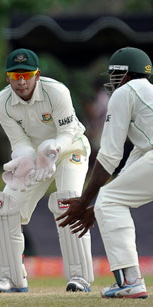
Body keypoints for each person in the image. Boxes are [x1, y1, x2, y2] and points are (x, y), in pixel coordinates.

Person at [0, 48, 93, 293]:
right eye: (15, 76)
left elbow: (67, 132)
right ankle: (12, 279)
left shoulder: (56, 92)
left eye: (27, 75)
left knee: (68, 201)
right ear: (7, 78)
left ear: (38, 74)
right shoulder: (1, 102)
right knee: (4, 206)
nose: (21, 81)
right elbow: (18, 140)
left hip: (70, 149)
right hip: (34, 157)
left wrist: (54, 149)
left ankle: (80, 277)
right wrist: (24, 158)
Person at [56, 47, 153, 299]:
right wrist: (99, 206)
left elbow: (109, 156)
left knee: (109, 200)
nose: (111, 81)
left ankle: (131, 281)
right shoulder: (147, 95)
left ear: (124, 74)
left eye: (113, 75)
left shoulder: (125, 92)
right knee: (109, 200)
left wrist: (85, 202)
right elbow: (135, 161)